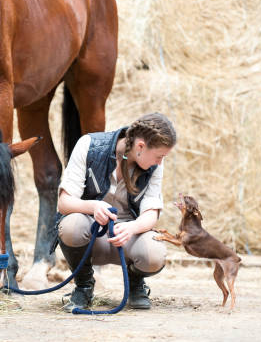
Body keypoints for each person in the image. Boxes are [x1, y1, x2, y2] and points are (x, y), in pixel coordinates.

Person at [57, 112, 176, 311]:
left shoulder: (154, 166)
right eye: (159, 156)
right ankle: (84, 286)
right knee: (71, 226)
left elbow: (151, 213)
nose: (160, 162)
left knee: (156, 253)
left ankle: (135, 282)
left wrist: (132, 227)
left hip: (128, 238)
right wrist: (93, 207)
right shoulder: (88, 145)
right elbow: (64, 202)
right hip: (92, 233)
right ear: (140, 146)